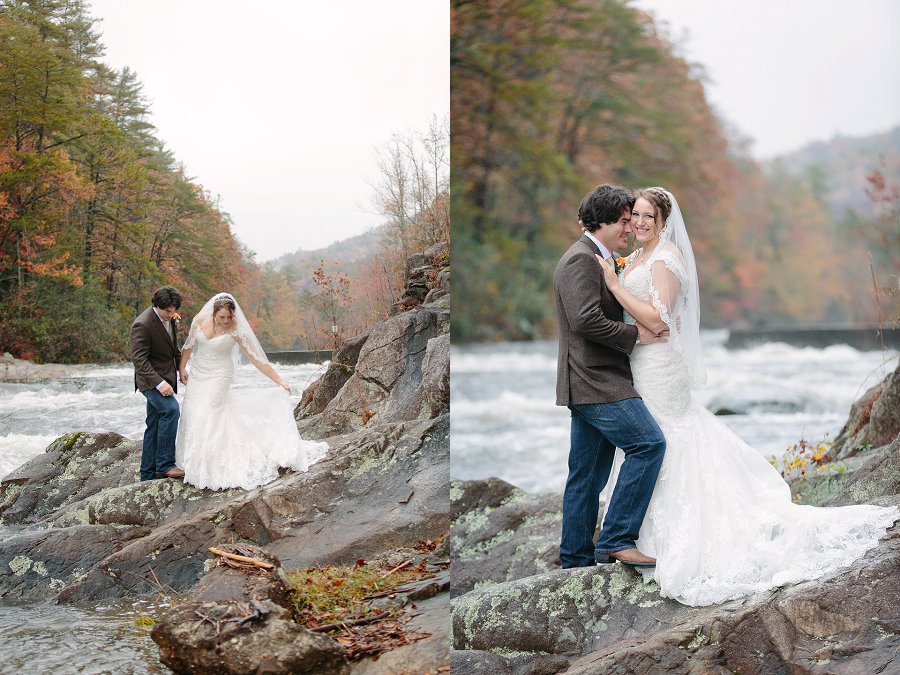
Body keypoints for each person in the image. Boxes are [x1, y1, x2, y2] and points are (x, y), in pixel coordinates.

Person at [594, 186, 899, 605]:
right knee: (655, 439)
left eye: (649, 216)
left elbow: (659, 321)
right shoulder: (640, 258)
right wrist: (621, 278)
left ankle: (671, 536)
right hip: (641, 365)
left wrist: (614, 284)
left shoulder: (666, 259)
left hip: (662, 367)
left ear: (664, 220)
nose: (641, 223)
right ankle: (634, 532)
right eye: (637, 216)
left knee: (666, 438)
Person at [554, 184, 669, 569]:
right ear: (600, 222)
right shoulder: (581, 260)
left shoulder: (596, 257)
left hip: (592, 380)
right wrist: (637, 335)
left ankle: (575, 562)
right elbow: (584, 320)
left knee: (585, 478)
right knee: (648, 444)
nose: (629, 228)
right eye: (623, 221)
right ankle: (617, 538)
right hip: (595, 380)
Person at [175, 292, 328, 490]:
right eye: (222, 317)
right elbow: (188, 345)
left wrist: (279, 380)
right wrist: (182, 367)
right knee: (193, 412)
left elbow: (256, 359)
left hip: (220, 375)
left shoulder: (236, 330)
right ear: (213, 313)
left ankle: (210, 465)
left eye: (229, 317)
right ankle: (193, 460)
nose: (225, 321)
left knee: (209, 412)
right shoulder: (198, 321)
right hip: (198, 374)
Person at [130, 286, 186, 481]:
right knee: (171, 410)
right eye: (167, 311)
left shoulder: (170, 319)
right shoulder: (142, 324)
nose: (171, 315)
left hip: (167, 376)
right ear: (156, 305)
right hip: (149, 381)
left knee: (153, 425)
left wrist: (182, 368)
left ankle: (147, 475)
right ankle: (165, 464)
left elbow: (173, 349)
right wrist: (160, 384)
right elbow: (139, 360)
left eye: (173, 311)